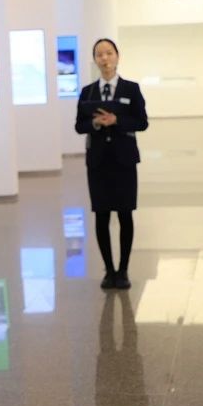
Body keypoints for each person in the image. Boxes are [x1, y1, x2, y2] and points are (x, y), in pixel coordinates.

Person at [75, 37, 149, 290]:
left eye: (109, 53)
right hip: (98, 163)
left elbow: (142, 122)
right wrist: (95, 123)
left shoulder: (131, 89)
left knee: (125, 214)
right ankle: (109, 271)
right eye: (99, 54)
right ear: (95, 60)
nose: (104, 58)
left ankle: (123, 270)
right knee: (101, 215)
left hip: (124, 161)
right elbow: (79, 126)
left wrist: (117, 120)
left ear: (117, 56)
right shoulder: (88, 92)